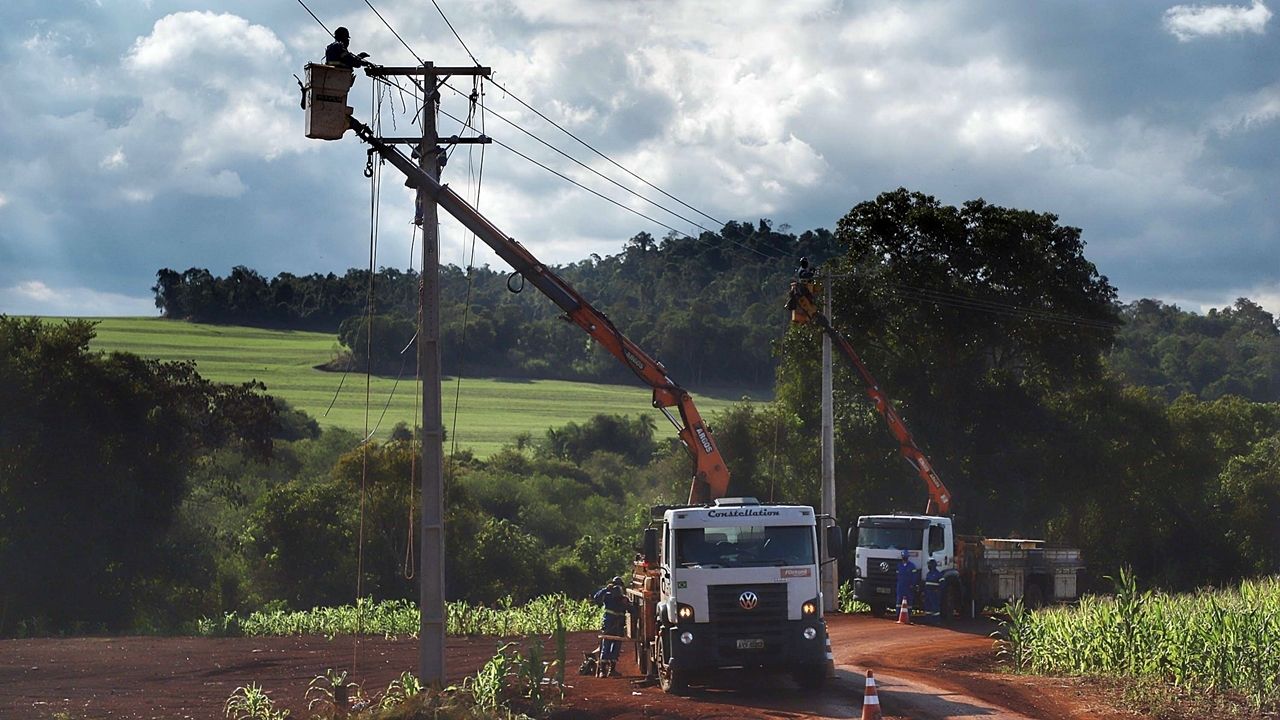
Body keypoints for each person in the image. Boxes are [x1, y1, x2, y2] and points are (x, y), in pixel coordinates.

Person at [591, 576, 627, 677]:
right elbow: (596, 598)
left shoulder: (623, 599)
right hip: (609, 624)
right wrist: (606, 589)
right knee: (606, 645)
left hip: (618, 625)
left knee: (615, 647)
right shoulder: (607, 595)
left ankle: (611, 670)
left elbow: (631, 609)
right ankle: (603, 670)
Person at [894, 549, 917, 614]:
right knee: (899, 600)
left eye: (905, 556)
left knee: (909, 601)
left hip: (908, 586)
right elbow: (897, 575)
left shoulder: (912, 566)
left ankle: (909, 614)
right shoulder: (899, 565)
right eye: (904, 556)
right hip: (900, 586)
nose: (904, 558)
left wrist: (913, 584)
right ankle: (898, 614)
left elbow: (914, 576)